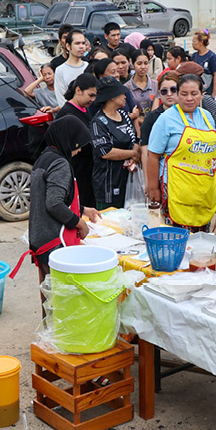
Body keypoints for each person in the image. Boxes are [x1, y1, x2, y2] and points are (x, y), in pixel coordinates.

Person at [24, 116, 102, 284]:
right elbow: (54, 204)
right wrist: (80, 223)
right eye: (78, 144)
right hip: (54, 242)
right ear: (68, 139)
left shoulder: (44, 158)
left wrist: (82, 210)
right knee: (60, 295)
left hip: (40, 240)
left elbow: (49, 196)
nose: (79, 150)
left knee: (49, 293)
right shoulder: (60, 164)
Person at [145, 73, 216, 232]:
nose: (189, 98)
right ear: (177, 94)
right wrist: (153, 188)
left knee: (201, 237)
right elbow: (152, 155)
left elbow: (215, 155)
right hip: (175, 188)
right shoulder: (166, 119)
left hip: (203, 188)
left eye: (194, 93)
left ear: (201, 95)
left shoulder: (207, 117)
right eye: (184, 94)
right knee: (176, 236)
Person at [91, 78, 141, 209]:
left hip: (129, 181)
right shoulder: (98, 122)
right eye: (122, 93)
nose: (125, 96)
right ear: (112, 97)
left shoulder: (124, 115)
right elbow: (105, 152)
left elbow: (135, 138)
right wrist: (132, 154)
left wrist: (134, 158)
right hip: (108, 184)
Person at [57, 73, 100, 206]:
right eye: (90, 95)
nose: (93, 99)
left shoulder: (85, 110)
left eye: (95, 96)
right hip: (77, 171)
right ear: (78, 90)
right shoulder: (66, 114)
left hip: (88, 170)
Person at [54, 30, 90, 99]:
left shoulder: (88, 66)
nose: (81, 46)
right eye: (77, 43)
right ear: (68, 46)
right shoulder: (60, 70)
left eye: (83, 43)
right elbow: (61, 98)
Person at [190, 30, 216, 94]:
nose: (192, 44)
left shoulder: (212, 57)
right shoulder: (194, 56)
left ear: (201, 42)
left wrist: (214, 92)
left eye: (194, 41)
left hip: (208, 92)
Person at [126, 51, 157, 115]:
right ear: (133, 64)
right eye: (139, 64)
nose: (143, 67)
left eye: (146, 63)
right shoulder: (127, 88)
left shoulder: (156, 85)